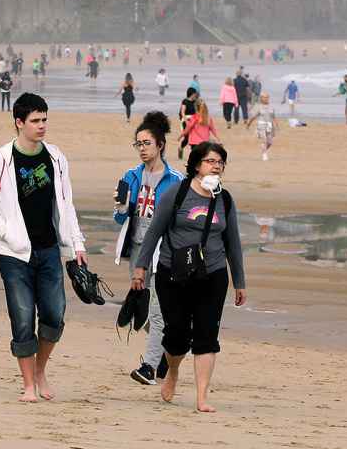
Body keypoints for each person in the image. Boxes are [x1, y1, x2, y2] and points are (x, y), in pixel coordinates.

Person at [0, 93, 88, 402]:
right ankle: (28, 385)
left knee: (54, 315)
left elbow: (66, 205)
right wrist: (7, 232)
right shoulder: (2, 159)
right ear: (19, 122)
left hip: (50, 248)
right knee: (23, 317)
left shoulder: (55, 157)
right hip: (14, 255)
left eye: (44, 119)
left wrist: (76, 243)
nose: (42, 126)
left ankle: (40, 370)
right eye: (36, 120)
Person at [129, 142, 245, 413]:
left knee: (207, 336)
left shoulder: (224, 200)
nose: (216, 166)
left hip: (213, 275)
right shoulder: (177, 193)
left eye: (220, 162)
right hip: (174, 273)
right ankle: (172, 371)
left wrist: (239, 282)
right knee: (177, 335)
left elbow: (233, 243)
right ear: (196, 165)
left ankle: (202, 396)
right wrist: (140, 267)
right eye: (210, 161)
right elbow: (154, 232)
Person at [114, 111, 183, 386]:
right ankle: (170, 351)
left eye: (147, 143)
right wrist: (120, 209)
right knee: (142, 312)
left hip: (164, 251)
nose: (142, 149)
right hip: (137, 250)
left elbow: (180, 218)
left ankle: (149, 367)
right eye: (138, 144)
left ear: (160, 145)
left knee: (156, 309)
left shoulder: (175, 180)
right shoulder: (130, 176)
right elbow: (120, 218)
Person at [253, 91, 276, 160]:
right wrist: (248, 124)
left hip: (269, 126)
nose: (266, 99)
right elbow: (254, 116)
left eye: (267, 97)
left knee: (270, 142)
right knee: (264, 140)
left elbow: (273, 117)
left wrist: (275, 127)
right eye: (264, 97)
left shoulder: (271, 107)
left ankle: (264, 150)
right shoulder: (258, 106)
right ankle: (264, 154)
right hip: (261, 126)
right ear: (261, 98)